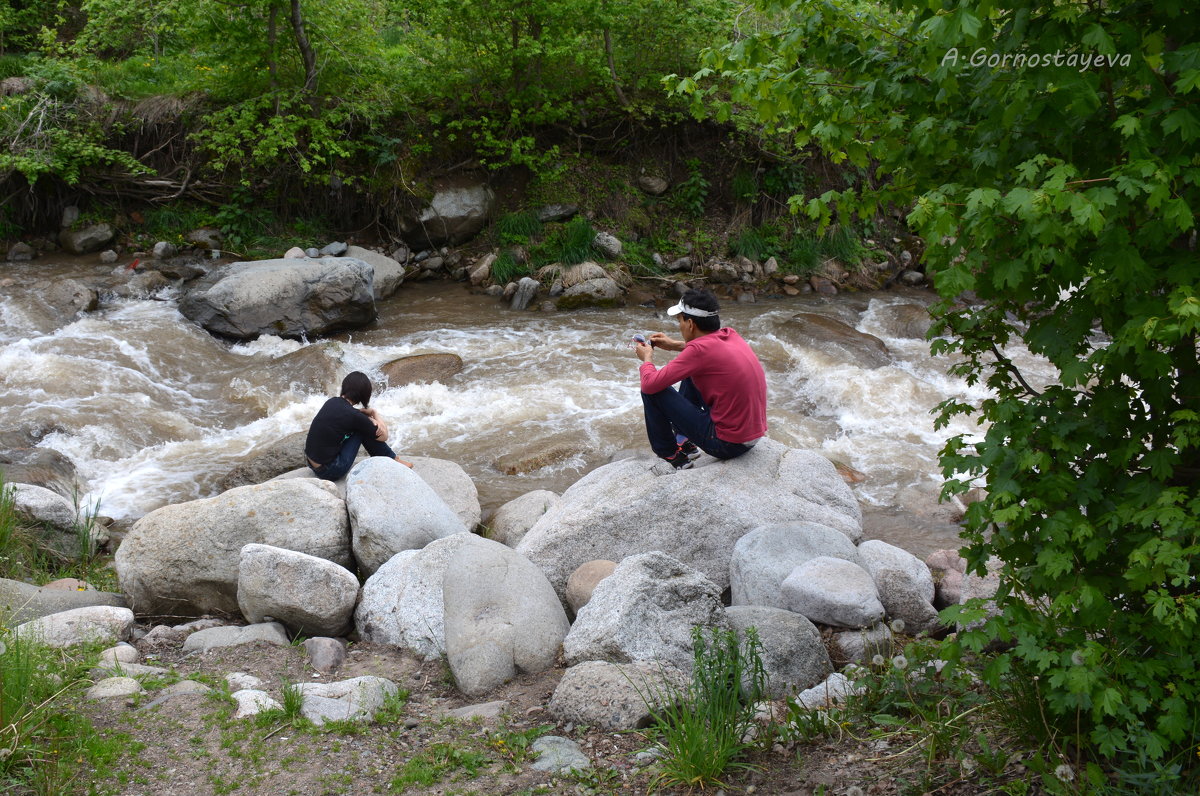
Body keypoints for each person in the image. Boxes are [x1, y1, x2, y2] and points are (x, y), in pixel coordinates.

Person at [634, 288, 768, 469]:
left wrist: (646, 358)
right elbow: (707, 350)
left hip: (726, 445)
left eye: (679, 320)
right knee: (692, 372)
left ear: (690, 324)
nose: (679, 325)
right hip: (751, 438)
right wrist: (674, 345)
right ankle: (683, 440)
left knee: (652, 388)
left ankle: (671, 455)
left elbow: (650, 384)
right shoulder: (730, 335)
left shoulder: (698, 352)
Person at [305, 371, 413, 481]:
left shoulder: (333, 401)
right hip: (329, 470)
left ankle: (392, 459)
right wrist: (374, 414)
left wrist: (367, 419)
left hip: (312, 464)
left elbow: (349, 415)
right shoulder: (354, 416)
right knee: (361, 431)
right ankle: (393, 460)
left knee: (361, 427)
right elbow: (384, 436)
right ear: (364, 394)